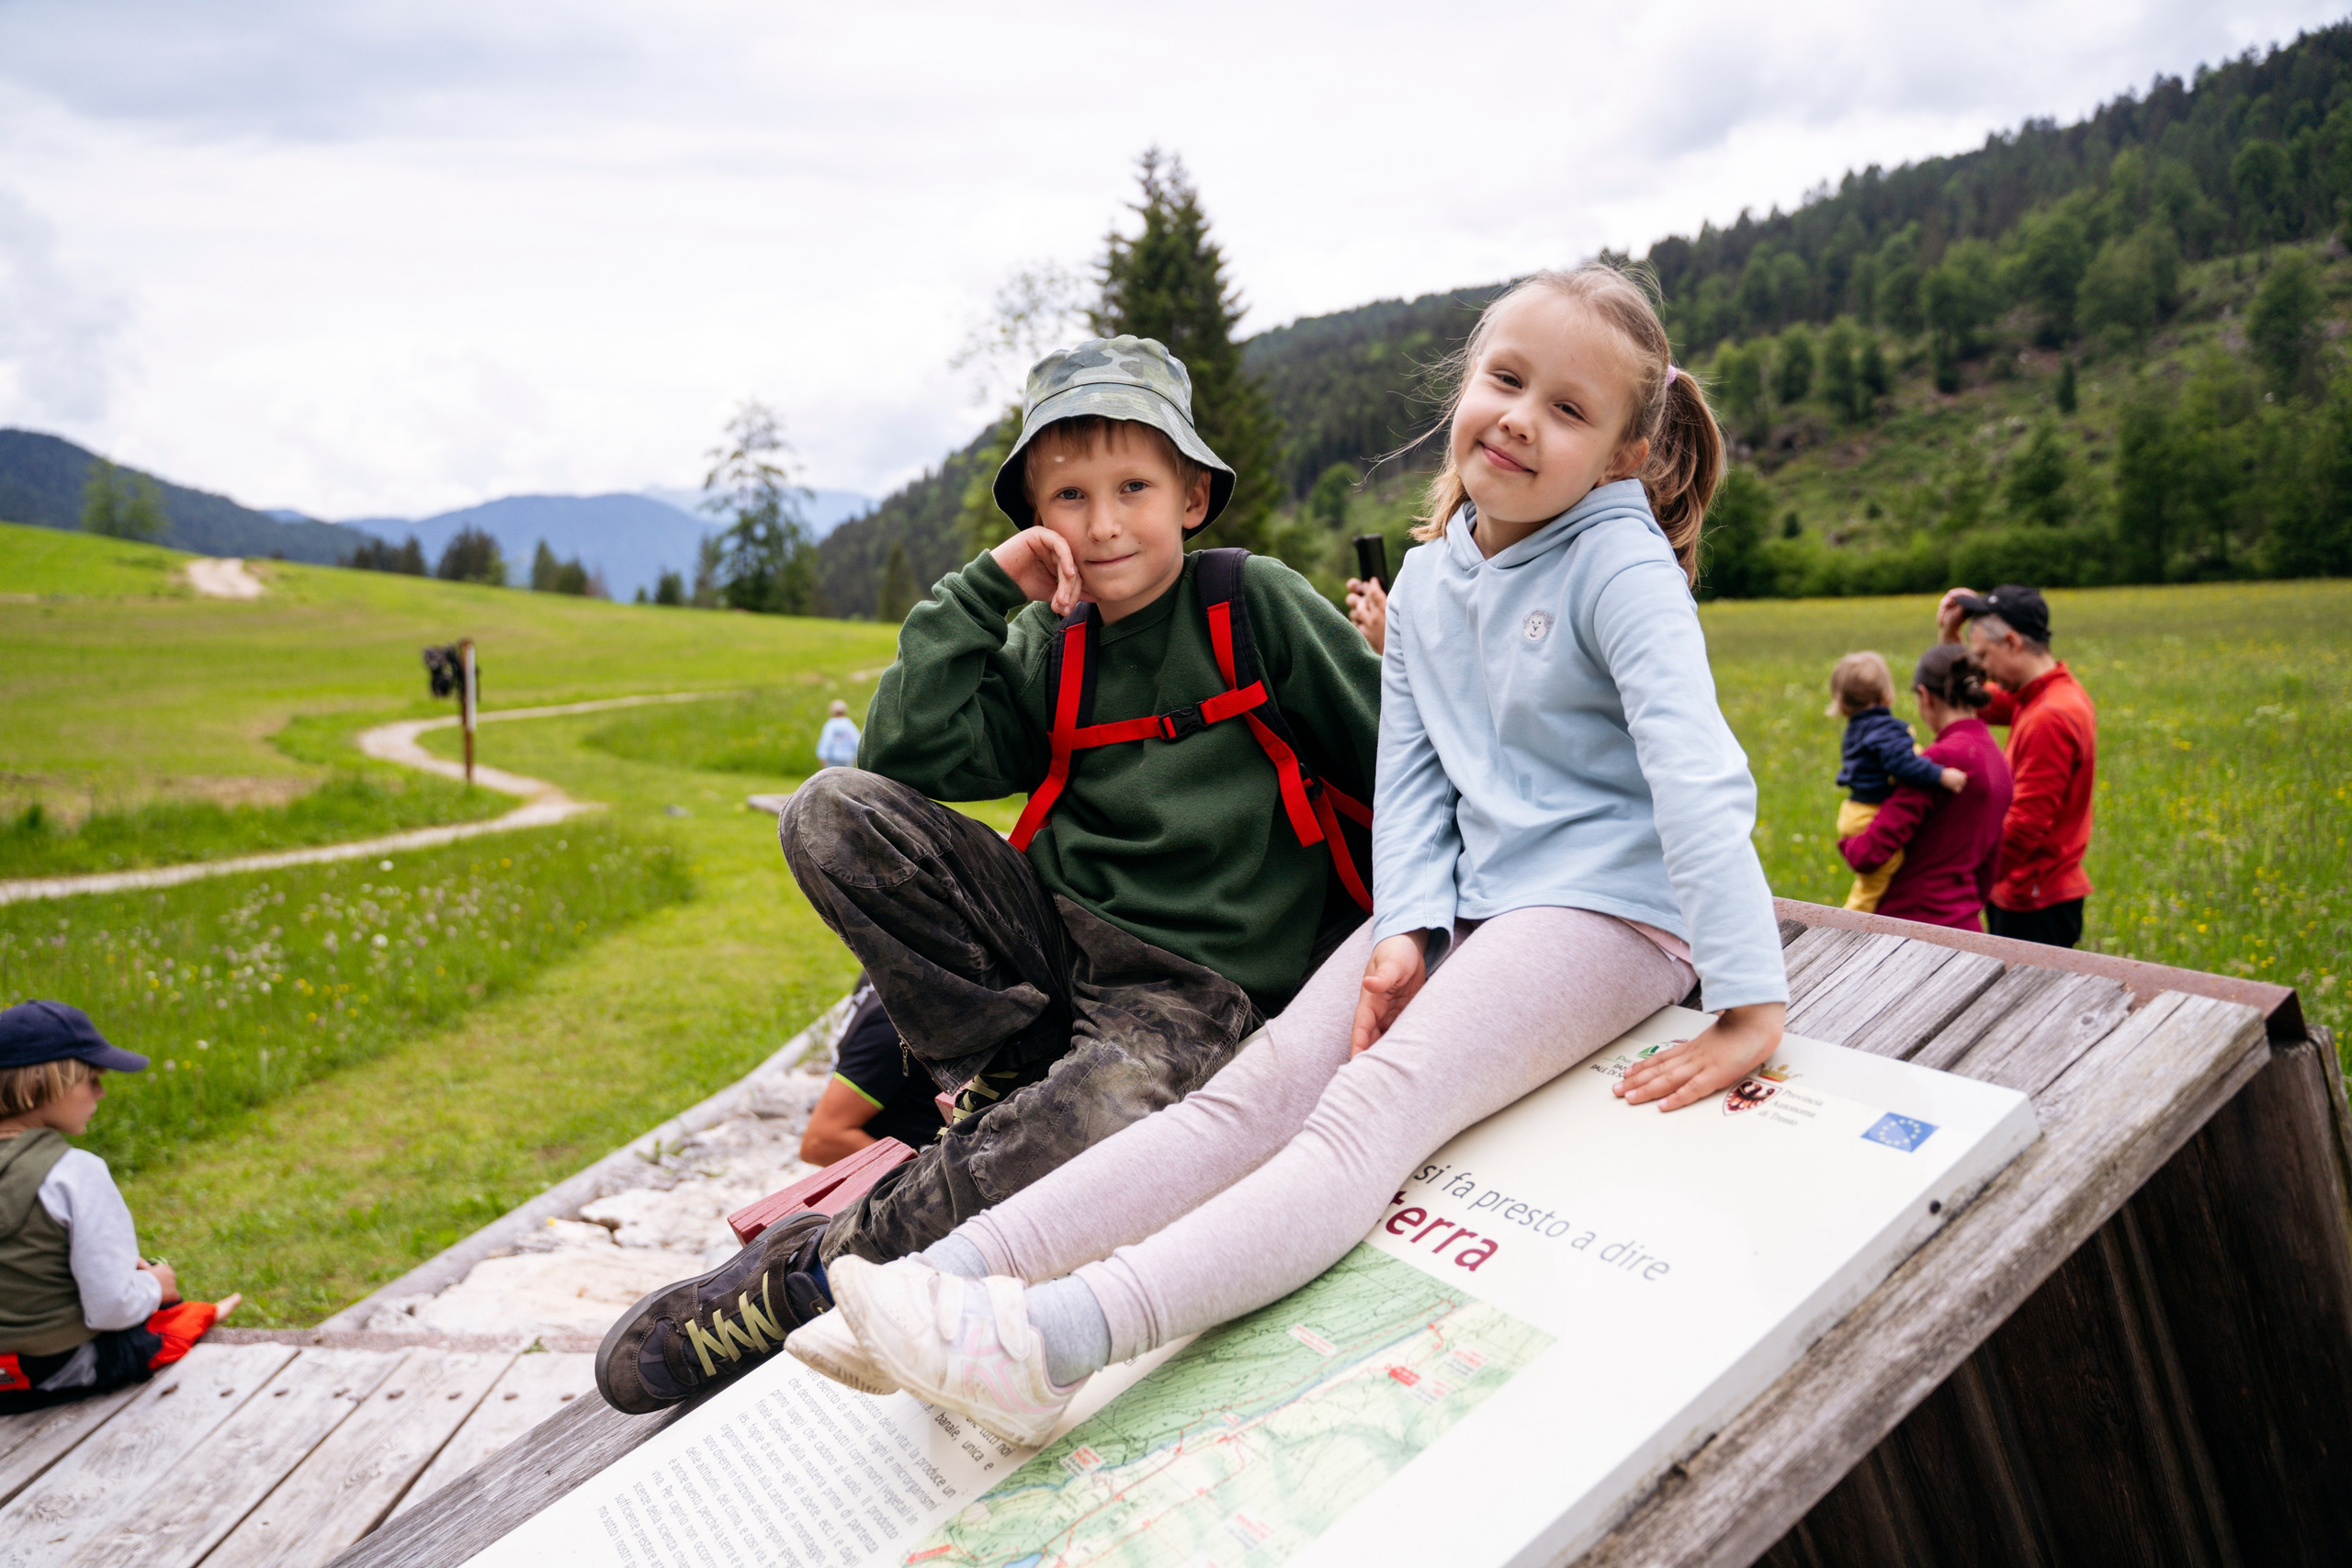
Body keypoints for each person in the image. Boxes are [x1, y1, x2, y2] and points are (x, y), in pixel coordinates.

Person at [786, 263, 1790, 1446]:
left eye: (1568, 409)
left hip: (1606, 911)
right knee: (1247, 1099)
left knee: (1365, 1115)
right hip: (1471, 899)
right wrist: (1402, 926)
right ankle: (943, 1278)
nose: (1521, 418)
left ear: (1624, 454)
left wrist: (1748, 999)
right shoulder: (1435, 575)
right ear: (1464, 386)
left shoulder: (1617, 565)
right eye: (1506, 380)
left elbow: (1695, 773)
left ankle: (1052, 1346)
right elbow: (1412, 780)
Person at [595, 335, 1382, 1414]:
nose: (1103, 524)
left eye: (1134, 488)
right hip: (1053, 940)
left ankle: (813, 1274)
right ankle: (1005, 1065)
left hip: (1196, 993)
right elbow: (902, 757)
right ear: (1036, 516)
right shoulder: (1054, 646)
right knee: (831, 812)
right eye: (1070, 497)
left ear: (1193, 496)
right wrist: (985, 590)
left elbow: (1397, 758)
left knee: (1092, 1125)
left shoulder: (1254, 606)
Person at [0, 1001, 237, 1412]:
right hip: (54, 1373)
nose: (101, 1092)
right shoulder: (74, 1173)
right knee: (175, 1320)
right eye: (92, 1080)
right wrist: (157, 1285)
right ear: (44, 1083)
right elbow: (111, 1308)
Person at [1936, 583, 2097, 947]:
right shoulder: (2041, 695)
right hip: (2025, 892)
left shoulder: (2050, 716)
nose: (1981, 668)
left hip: (2035, 904)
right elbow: (1970, 697)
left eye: (1983, 655)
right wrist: (1949, 637)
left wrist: (1961, 886)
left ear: (2011, 643)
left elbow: (2024, 827)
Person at [1838, 647, 2015, 931]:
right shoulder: (1998, 760)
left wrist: (1847, 843)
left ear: (1925, 695)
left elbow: (1868, 855)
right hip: (1966, 928)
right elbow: (1989, 868)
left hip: (1910, 928)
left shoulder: (1937, 763)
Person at [1825, 650, 1967, 913]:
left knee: (1873, 877)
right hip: (1869, 814)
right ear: (1887, 695)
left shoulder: (1856, 728)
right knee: (1877, 878)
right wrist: (1941, 775)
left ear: (1843, 704)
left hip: (1853, 811)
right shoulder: (1886, 731)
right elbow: (1903, 765)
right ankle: (1852, 918)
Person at [800, 976, 945, 1166]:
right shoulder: (902, 1022)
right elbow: (822, 1142)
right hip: (908, 1168)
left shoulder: (887, 973)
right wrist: (927, 1179)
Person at [814, 699, 861, 771]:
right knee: (847, 774)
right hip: (847, 757)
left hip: (833, 757)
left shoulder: (830, 724)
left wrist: (823, 755)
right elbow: (856, 739)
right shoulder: (849, 724)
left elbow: (826, 741)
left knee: (832, 774)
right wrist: (858, 755)